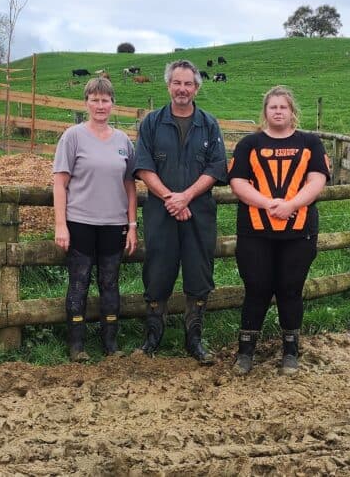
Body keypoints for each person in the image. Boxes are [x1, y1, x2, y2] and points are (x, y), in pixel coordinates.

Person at [227, 85, 330, 375]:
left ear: (292, 111)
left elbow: (317, 179)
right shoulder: (249, 144)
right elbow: (238, 182)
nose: (278, 111)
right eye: (273, 107)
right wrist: (269, 204)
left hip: (298, 232)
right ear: (265, 112)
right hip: (255, 231)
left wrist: (291, 205)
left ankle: (290, 352)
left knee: (290, 289)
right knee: (256, 289)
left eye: (283, 107)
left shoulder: (310, 143)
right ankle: (246, 352)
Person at [133, 60, 227, 365]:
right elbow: (143, 166)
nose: (182, 89)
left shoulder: (209, 124)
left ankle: (194, 338)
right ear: (168, 85)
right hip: (161, 213)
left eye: (188, 84)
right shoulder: (151, 123)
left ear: (196, 87)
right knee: (158, 271)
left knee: (199, 272)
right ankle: (152, 336)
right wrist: (170, 198)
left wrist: (186, 197)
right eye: (177, 83)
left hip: (198, 211)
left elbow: (216, 168)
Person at [53, 77, 138, 361]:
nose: (100, 105)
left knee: (110, 282)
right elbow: (59, 183)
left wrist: (132, 224)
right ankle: (77, 345)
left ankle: (110, 343)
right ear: (86, 102)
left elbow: (130, 185)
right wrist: (60, 224)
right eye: (95, 99)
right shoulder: (73, 136)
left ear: (113, 104)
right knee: (79, 282)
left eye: (105, 100)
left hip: (114, 223)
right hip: (80, 221)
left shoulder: (123, 141)